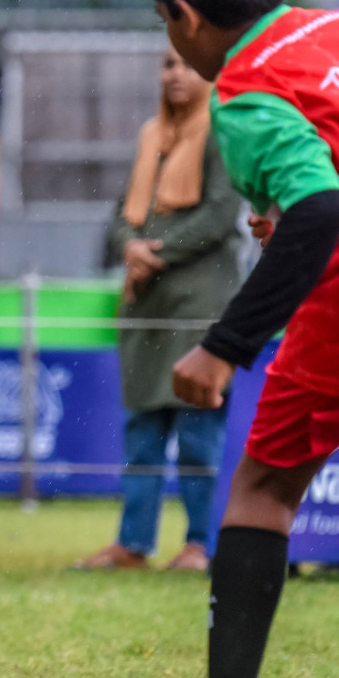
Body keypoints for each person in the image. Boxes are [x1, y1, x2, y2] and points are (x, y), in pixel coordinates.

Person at [134, 0, 339, 678]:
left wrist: (226, 346)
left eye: (164, 22)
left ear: (185, 16)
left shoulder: (247, 89)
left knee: (264, 489)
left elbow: (317, 211)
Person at [75, 46, 242, 573]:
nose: (175, 74)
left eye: (188, 64)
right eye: (168, 64)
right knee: (143, 431)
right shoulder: (152, 135)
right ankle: (133, 543)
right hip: (145, 302)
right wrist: (130, 247)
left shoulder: (223, 128)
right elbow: (121, 215)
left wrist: (156, 252)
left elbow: (221, 213)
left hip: (201, 304)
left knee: (198, 432)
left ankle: (201, 544)